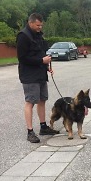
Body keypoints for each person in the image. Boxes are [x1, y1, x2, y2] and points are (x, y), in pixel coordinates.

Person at [17, 13, 59, 143]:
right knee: (30, 102)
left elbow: (42, 53)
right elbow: (22, 58)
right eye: (38, 25)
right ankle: (30, 132)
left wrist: (47, 66)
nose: (40, 27)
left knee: (42, 100)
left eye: (41, 25)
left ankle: (43, 127)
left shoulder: (39, 35)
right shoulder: (23, 36)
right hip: (29, 75)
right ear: (30, 23)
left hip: (41, 73)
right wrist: (41, 60)